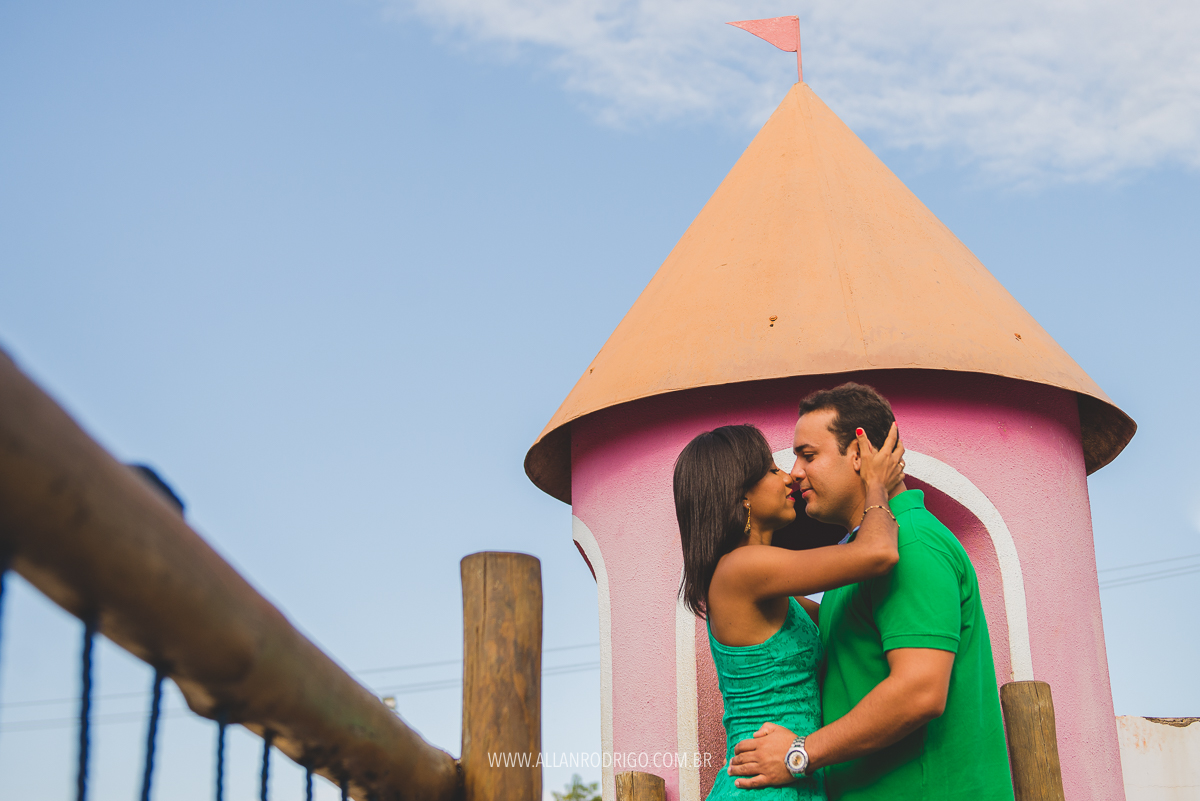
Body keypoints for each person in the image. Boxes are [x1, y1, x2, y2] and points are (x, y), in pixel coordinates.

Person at [726, 383, 1015, 801]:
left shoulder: (911, 545)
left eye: (808, 455)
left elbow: (919, 692)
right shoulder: (862, 555)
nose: (795, 473)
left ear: (859, 454)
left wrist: (797, 754)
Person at [674, 420, 907, 801]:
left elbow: (840, 616)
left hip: (790, 774)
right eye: (771, 470)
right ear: (741, 494)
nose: (789, 478)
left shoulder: (774, 591)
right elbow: (877, 553)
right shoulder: (742, 569)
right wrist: (875, 485)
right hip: (763, 788)